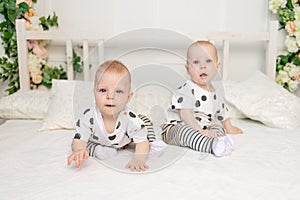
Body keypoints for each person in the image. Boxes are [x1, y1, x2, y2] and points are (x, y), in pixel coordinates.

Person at [67, 60, 164, 172]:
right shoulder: (89, 116)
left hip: (126, 139)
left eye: (118, 91)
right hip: (98, 140)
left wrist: (139, 159)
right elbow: (79, 138)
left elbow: (142, 140)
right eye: (103, 90)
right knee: (79, 143)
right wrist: (79, 149)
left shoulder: (129, 118)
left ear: (128, 98)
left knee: (144, 124)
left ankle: (153, 142)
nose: (110, 96)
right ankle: (98, 150)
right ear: (94, 93)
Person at [161, 40, 242, 157]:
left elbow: (222, 112)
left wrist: (229, 127)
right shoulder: (187, 89)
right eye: (196, 62)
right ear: (188, 68)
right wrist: (200, 130)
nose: (202, 66)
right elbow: (185, 114)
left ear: (217, 66)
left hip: (203, 127)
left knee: (217, 127)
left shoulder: (216, 92)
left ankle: (220, 140)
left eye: (208, 61)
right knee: (186, 133)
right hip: (176, 128)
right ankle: (210, 146)